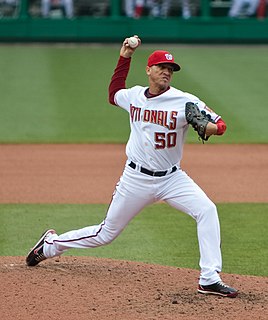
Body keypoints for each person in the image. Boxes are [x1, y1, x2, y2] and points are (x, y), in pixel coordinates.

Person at [26, 35, 238, 298]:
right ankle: (50, 245)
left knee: (206, 210)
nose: (166, 72)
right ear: (149, 70)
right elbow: (114, 93)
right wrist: (124, 56)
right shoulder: (135, 96)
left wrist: (210, 127)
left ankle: (209, 278)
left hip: (173, 179)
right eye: (161, 67)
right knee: (105, 234)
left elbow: (221, 125)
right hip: (135, 179)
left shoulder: (185, 100)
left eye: (170, 69)